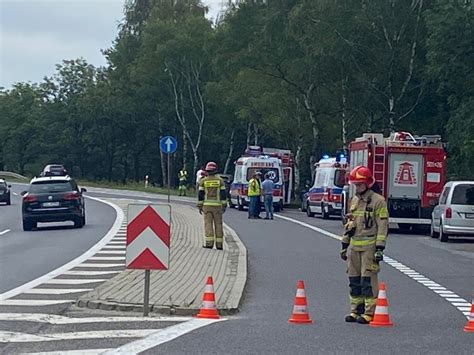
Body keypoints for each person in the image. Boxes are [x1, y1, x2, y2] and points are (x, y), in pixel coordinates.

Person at [340, 165, 388, 324]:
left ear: (367, 183)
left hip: (369, 247)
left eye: (359, 184)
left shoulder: (378, 201)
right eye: (355, 185)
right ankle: (355, 310)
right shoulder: (354, 200)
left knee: (367, 280)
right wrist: (344, 244)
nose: (357, 187)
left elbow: (382, 225)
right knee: (354, 280)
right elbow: (350, 223)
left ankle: (369, 312)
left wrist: (380, 248)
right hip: (354, 246)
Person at [197, 162, 227, 250]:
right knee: (218, 224)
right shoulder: (220, 181)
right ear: (215, 170)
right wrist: (224, 205)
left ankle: (209, 243)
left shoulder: (203, 181)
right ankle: (219, 244)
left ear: (207, 171)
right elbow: (223, 194)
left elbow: (200, 195)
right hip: (217, 206)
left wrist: (199, 206)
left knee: (208, 224)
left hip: (206, 206)